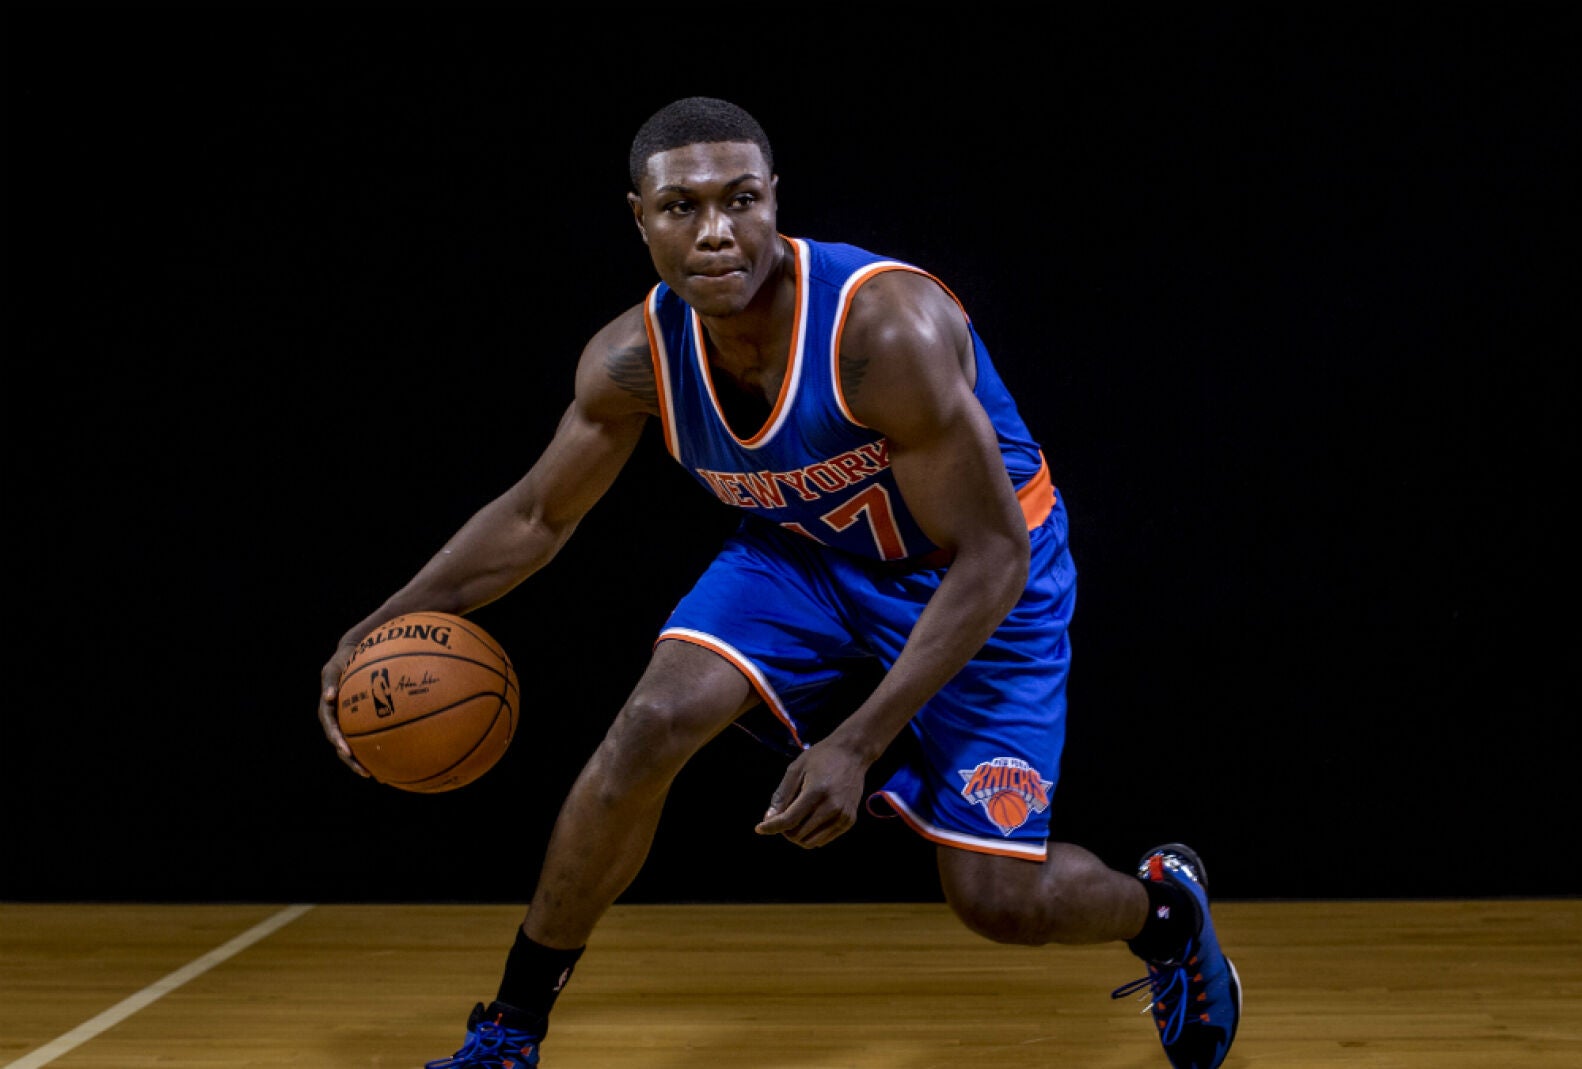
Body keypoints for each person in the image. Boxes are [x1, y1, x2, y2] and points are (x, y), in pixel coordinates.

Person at [316, 95, 1240, 1069]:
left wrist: (854, 743)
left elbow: (993, 556)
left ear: (773, 202)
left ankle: (1165, 910)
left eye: (740, 199)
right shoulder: (633, 360)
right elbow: (536, 516)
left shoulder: (881, 334)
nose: (715, 230)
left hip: (972, 574)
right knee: (646, 727)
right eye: (681, 207)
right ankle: (509, 1026)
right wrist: (381, 625)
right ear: (639, 216)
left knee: (998, 903)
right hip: (803, 559)